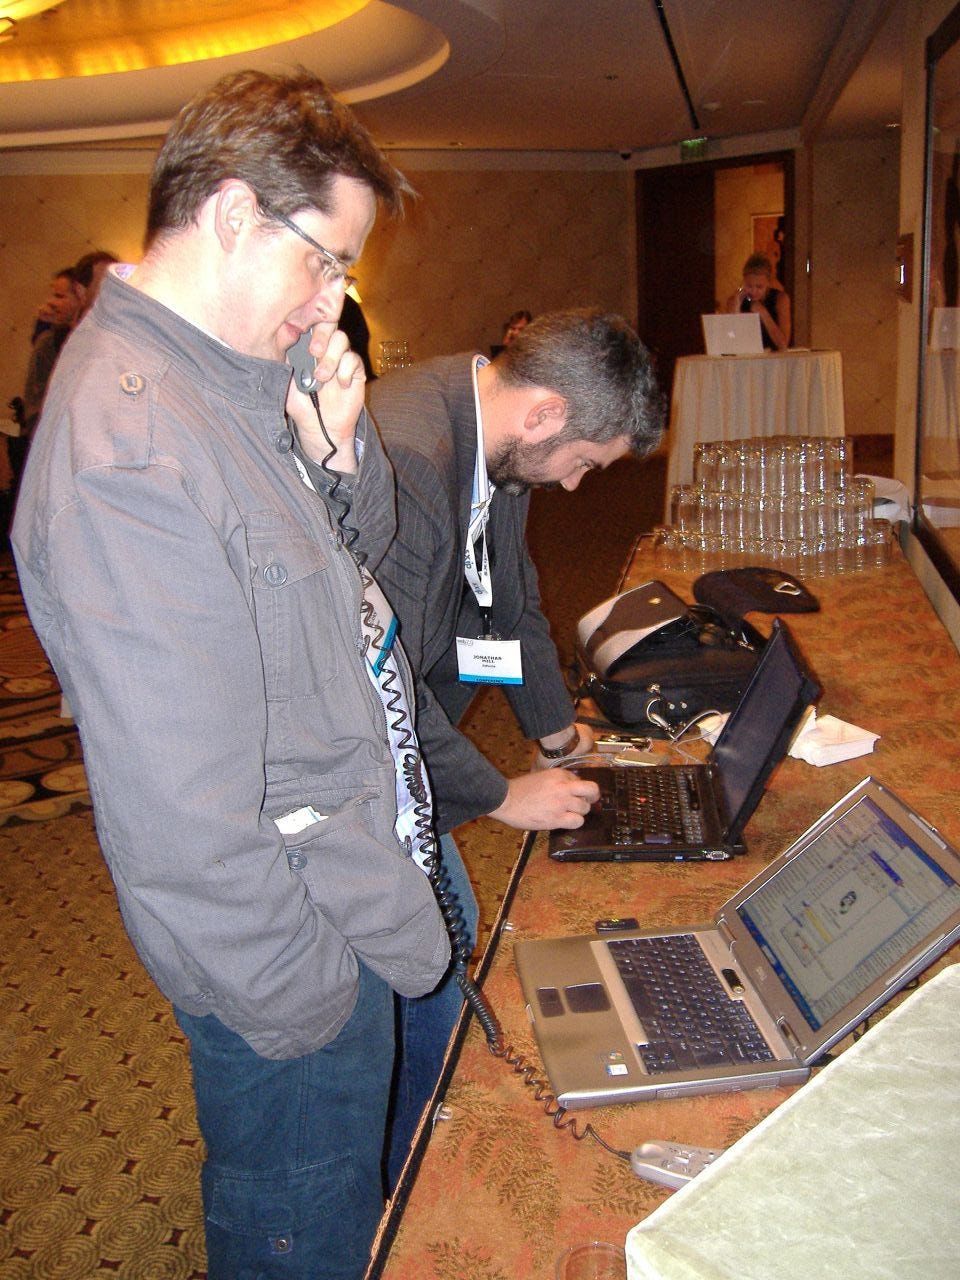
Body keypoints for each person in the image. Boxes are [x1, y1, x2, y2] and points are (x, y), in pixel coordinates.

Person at [11, 69, 451, 1280]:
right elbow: (185, 828)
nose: (336, 297)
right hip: (292, 961)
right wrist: (314, 1001)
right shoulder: (133, 445)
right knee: (304, 1233)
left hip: (352, 874)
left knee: (378, 1207)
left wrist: (338, 440)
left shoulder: (233, 385)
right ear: (234, 217)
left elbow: (345, 569)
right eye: (328, 259)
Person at [368, 307, 663, 1185]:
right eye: (582, 464)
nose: (575, 487)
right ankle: (405, 1176)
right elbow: (373, 685)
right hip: (349, 760)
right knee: (431, 958)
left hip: (410, 729)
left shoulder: (490, 429)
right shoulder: (412, 459)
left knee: (436, 951)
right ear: (543, 414)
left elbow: (515, 608)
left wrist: (559, 737)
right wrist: (499, 795)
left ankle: (412, 1139)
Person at [16, 266, 82, 485]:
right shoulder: (51, 340)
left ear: (81, 295)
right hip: (45, 447)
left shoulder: (80, 343)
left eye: (60, 296)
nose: (51, 303)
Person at [724, 251, 791, 351]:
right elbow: (730, 339)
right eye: (749, 286)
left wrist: (763, 312)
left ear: (768, 283)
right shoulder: (735, 300)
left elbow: (783, 344)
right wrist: (736, 309)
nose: (754, 291)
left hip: (774, 359)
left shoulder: (780, 299)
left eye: (759, 287)